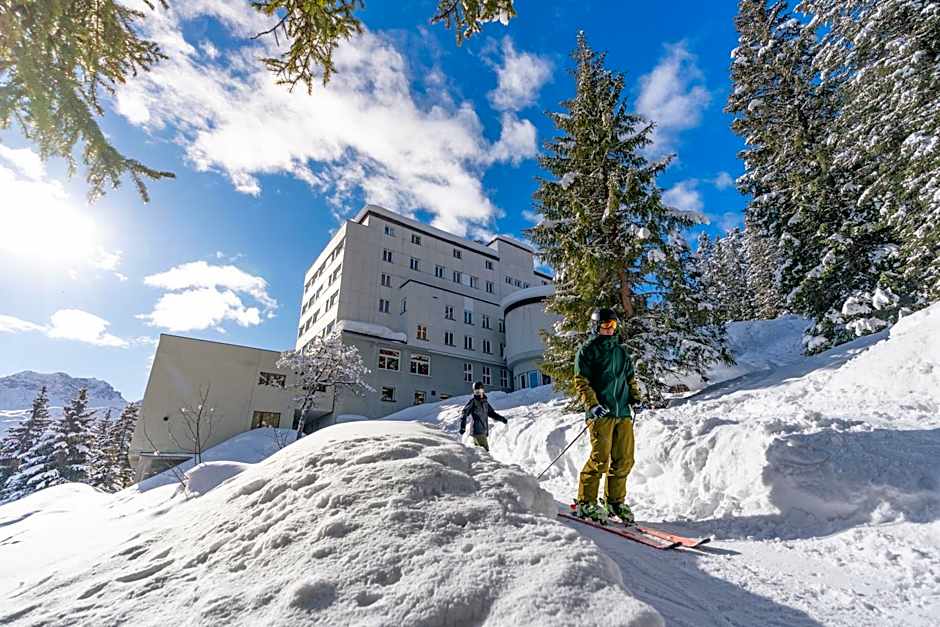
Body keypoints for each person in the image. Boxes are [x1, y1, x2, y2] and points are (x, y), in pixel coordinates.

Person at [572, 308, 643, 525]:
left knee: (624, 460)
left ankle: (614, 502)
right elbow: (581, 382)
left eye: (612, 326)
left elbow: (629, 379)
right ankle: (586, 502)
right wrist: (592, 405)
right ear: (595, 326)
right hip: (601, 413)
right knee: (600, 459)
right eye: (605, 325)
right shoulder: (587, 351)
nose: (609, 329)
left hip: (622, 412)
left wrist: (635, 399)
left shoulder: (621, 353)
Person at [459, 381, 508, 451]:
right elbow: (464, 413)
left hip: (483, 432)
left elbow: (492, 413)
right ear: (474, 392)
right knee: (485, 452)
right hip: (477, 432)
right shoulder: (473, 401)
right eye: (477, 392)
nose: (479, 393)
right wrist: (462, 427)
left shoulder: (485, 403)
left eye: (480, 391)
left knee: (482, 454)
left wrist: (502, 419)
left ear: (483, 391)